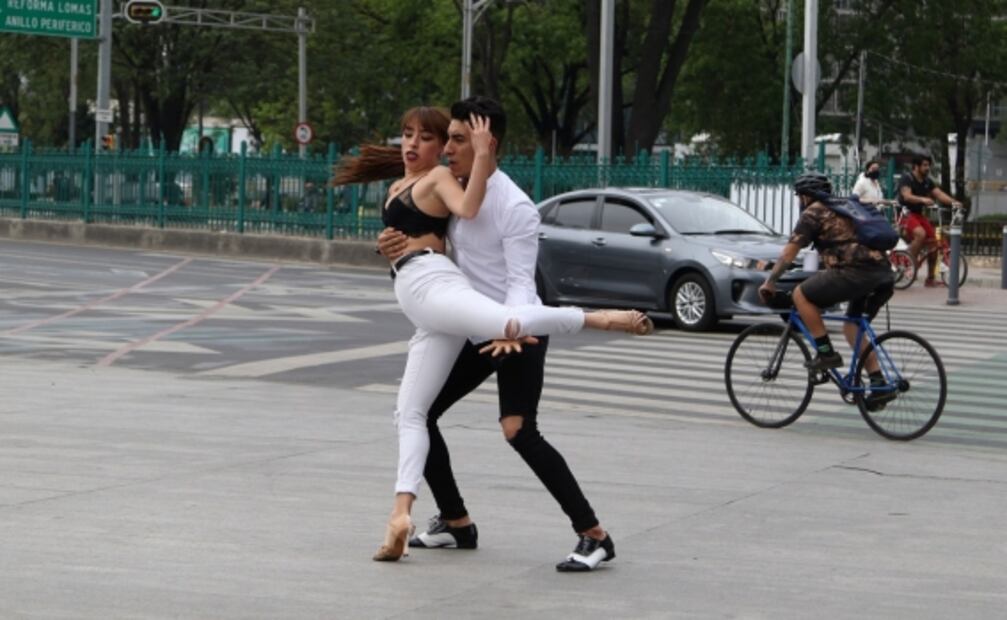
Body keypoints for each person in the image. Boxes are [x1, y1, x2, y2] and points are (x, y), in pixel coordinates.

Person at [332, 104, 652, 565]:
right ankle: (456, 522)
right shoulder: (455, 186)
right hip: (472, 322)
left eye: (458, 139)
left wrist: (508, 330)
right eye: (446, 138)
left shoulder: (514, 206)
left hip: (519, 324)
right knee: (422, 414)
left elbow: (521, 282)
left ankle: (594, 534)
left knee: (518, 431)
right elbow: (424, 239)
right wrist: (388, 243)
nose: (447, 148)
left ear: (487, 144)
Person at [759, 171, 896, 410]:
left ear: (804, 196)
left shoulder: (813, 212)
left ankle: (826, 353)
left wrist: (770, 281)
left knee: (801, 295)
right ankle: (878, 384)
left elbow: (789, 252)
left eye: (798, 197)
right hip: (883, 274)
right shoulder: (845, 207)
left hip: (856, 273)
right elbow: (840, 247)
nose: (799, 201)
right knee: (853, 328)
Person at [896, 154, 962, 287]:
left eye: (928, 165)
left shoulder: (927, 181)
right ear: (916, 166)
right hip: (906, 214)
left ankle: (930, 279)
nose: (928, 168)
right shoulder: (907, 178)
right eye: (925, 165)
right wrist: (923, 199)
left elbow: (939, 194)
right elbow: (907, 196)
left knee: (935, 243)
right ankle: (907, 263)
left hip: (918, 215)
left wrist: (954, 202)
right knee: (921, 234)